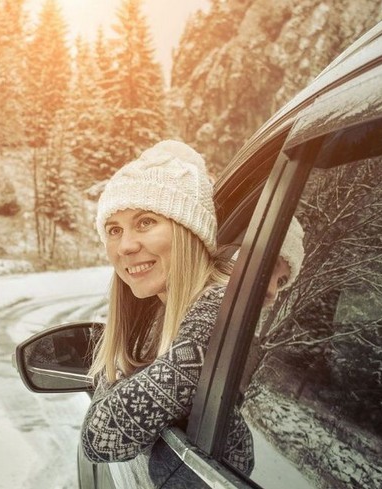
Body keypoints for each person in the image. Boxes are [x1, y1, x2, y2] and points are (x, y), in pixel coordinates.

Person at [81, 139, 254, 475]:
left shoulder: (217, 312)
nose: (126, 246)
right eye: (114, 230)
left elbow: (99, 437)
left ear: (189, 231)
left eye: (145, 222)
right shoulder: (154, 313)